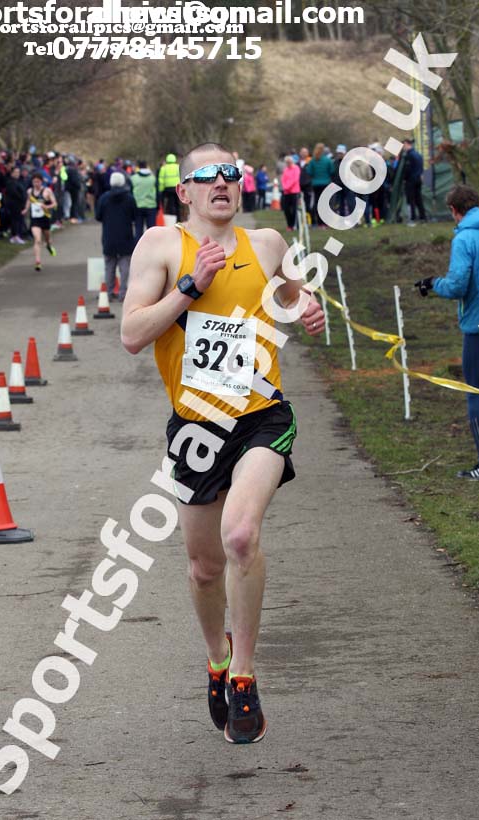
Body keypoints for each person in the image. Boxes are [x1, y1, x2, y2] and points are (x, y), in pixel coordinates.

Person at [121, 142, 325, 744]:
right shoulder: (160, 246)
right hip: (195, 428)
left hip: (262, 416)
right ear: (184, 191)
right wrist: (190, 285)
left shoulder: (265, 243)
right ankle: (216, 659)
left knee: (241, 534)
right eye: (207, 176)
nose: (222, 183)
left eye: (231, 175)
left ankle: (243, 675)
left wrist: (305, 306)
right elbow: (132, 334)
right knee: (205, 566)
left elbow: (288, 295)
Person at [415, 185, 479, 479]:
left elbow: (457, 285)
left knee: (475, 394)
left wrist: (432, 284)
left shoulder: (465, 238)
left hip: (477, 328)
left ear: (454, 211)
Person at [95, 171, 136, 302]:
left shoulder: (104, 198)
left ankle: (108, 292)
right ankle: (123, 293)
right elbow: (134, 216)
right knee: (125, 267)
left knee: (109, 266)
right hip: (126, 236)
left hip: (109, 236)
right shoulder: (129, 198)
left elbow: (98, 216)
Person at [22, 172, 57, 271]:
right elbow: (29, 201)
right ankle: (38, 262)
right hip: (35, 219)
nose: (36, 184)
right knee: (37, 240)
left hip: (45, 217)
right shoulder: (30, 191)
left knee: (47, 239)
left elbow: (54, 203)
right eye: (34, 182)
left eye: (38, 182)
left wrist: (46, 206)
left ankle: (49, 246)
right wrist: (25, 209)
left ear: (41, 182)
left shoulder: (47, 191)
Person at [307, 143, 334, 227]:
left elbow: (309, 172)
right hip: (326, 184)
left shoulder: (312, 161)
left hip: (315, 184)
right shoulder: (327, 160)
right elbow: (332, 171)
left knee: (317, 203)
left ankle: (318, 222)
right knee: (326, 204)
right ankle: (326, 222)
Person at [131, 161, 158, 239]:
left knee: (138, 230)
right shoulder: (153, 178)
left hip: (138, 206)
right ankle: (152, 247)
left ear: (138, 167)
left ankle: (138, 248)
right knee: (151, 230)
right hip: (151, 206)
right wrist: (158, 205)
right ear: (147, 166)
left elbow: (130, 193)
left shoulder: (133, 178)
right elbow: (157, 193)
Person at [402, 138, 426, 224]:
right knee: (418, 199)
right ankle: (423, 217)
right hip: (418, 179)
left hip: (411, 180)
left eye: (404, 145)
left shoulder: (409, 155)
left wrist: (404, 178)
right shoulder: (418, 155)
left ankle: (412, 218)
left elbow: (407, 169)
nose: (403, 147)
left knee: (410, 200)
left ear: (407, 144)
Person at [158, 153, 181, 219]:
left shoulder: (163, 168)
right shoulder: (178, 167)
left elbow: (161, 180)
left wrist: (161, 190)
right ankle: (178, 218)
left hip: (167, 189)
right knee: (177, 204)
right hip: (177, 188)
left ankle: (172, 218)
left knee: (170, 204)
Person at [281, 155, 301, 231]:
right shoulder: (285, 169)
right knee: (286, 210)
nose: (288, 163)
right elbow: (283, 179)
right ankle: (289, 225)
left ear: (292, 162)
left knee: (294, 209)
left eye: (289, 162)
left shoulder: (296, 168)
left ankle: (295, 225)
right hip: (286, 192)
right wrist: (285, 187)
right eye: (287, 162)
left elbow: (295, 180)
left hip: (294, 192)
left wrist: (287, 187)